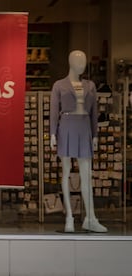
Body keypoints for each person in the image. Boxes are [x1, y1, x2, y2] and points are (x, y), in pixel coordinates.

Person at [50, 50, 107, 233]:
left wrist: (95, 135)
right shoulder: (59, 85)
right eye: (78, 60)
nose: (81, 63)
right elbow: (53, 111)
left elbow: (94, 114)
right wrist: (52, 133)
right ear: (70, 62)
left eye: (83, 60)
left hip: (84, 128)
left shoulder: (90, 85)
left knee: (86, 175)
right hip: (66, 125)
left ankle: (90, 218)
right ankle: (69, 218)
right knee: (66, 172)